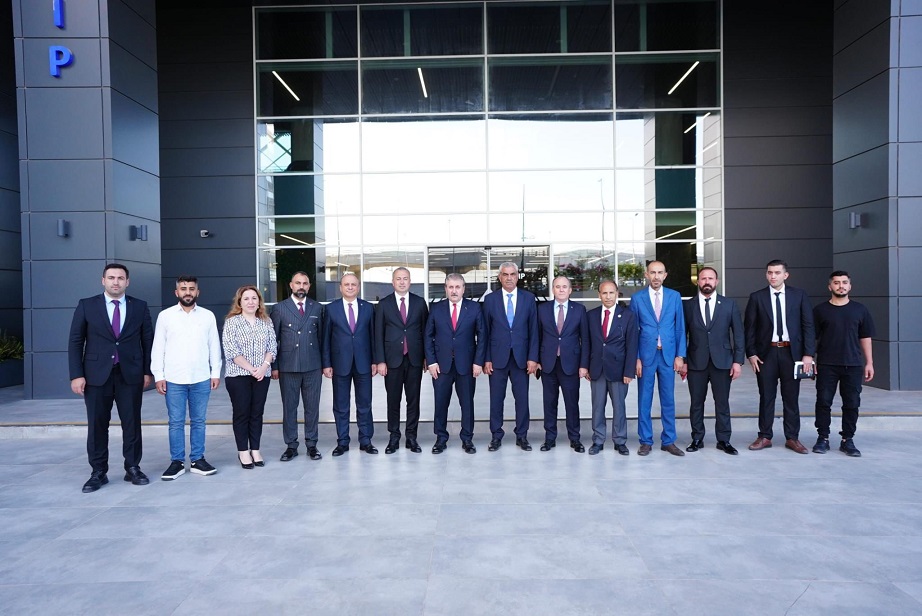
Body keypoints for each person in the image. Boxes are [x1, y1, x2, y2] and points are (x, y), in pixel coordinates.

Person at [69, 263, 154, 493]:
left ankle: (133, 467)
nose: (116, 282)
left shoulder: (140, 306)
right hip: (96, 376)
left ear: (127, 282)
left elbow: (148, 341)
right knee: (97, 425)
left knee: (132, 423)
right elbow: (76, 341)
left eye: (120, 278)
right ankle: (98, 471)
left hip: (130, 374)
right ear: (103, 280)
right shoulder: (87, 305)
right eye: (111, 277)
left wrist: (147, 371)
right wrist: (76, 374)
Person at [151, 275, 222, 480]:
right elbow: (158, 348)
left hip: (201, 377)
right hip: (174, 379)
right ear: (177, 292)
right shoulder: (165, 316)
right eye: (183, 289)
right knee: (176, 422)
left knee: (199, 421)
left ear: (197, 292)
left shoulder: (207, 316)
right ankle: (177, 462)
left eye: (191, 288)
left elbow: (214, 346)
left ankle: (198, 459)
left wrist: (215, 373)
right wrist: (159, 375)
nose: (188, 292)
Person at [744, 259, 815, 454]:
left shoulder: (799, 295)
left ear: (786, 275)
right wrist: (751, 353)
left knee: (791, 397)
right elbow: (749, 329)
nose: (773, 276)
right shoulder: (757, 297)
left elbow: (808, 325)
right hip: (766, 355)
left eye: (777, 272)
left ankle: (792, 438)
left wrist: (808, 354)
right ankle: (765, 436)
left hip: (792, 354)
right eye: (770, 272)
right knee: (766, 396)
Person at [680, 267, 745, 455]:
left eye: (710, 278)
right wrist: (683, 360)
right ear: (698, 281)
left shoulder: (729, 304)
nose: (707, 281)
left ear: (716, 281)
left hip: (723, 362)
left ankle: (724, 440)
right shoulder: (688, 306)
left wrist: (738, 361)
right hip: (695, 362)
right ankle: (697, 438)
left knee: (722, 403)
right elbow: (681, 334)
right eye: (703, 278)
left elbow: (738, 334)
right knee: (696, 403)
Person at [811, 271, 875, 457]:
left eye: (844, 282)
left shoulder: (860, 310)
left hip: (853, 364)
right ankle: (823, 438)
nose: (841, 286)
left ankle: (848, 439)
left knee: (852, 403)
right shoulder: (820, 310)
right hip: (826, 364)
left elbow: (865, 337)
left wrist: (869, 363)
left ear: (850, 286)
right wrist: (811, 359)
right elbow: (812, 337)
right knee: (823, 402)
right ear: (830, 286)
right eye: (837, 283)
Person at [424, 273, 486, 453]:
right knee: (440, 403)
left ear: (463, 289)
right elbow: (428, 336)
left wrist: (478, 362)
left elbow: (482, 336)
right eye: (450, 287)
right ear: (445, 289)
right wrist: (431, 362)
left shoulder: (474, 308)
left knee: (467, 404)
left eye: (457, 287)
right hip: (441, 366)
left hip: (466, 365)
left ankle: (467, 439)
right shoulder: (436, 308)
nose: (454, 291)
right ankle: (440, 439)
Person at [631, 261, 686, 456]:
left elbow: (680, 327)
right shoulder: (637, 298)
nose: (656, 276)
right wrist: (636, 358)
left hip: (668, 356)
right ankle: (645, 441)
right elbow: (633, 331)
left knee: (668, 399)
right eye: (652, 272)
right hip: (646, 356)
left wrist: (680, 355)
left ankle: (669, 440)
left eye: (660, 273)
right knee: (644, 399)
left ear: (665, 275)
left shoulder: (674, 296)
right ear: (646, 275)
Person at [483, 262, 539, 451]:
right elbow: (485, 332)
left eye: (512, 274)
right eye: (505, 274)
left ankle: (522, 436)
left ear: (517, 276)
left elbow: (534, 330)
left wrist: (533, 358)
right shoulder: (490, 300)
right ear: (499, 277)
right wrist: (486, 358)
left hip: (521, 358)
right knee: (496, 400)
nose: (509, 278)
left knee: (522, 399)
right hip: (497, 358)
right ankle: (496, 436)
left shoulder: (528, 298)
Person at [271, 271, 324, 462]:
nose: (301, 286)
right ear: (291, 285)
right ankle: (291, 445)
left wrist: (325, 364)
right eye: (298, 283)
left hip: (312, 365)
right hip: (288, 366)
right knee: (289, 408)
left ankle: (312, 444)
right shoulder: (279, 308)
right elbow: (273, 340)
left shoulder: (317, 308)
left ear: (309, 286)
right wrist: (274, 366)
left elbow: (322, 339)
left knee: (312, 407)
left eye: (305, 283)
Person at [374, 267, 429, 454]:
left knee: (413, 400)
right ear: (393, 282)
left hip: (414, 359)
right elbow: (378, 334)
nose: (402, 282)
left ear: (410, 281)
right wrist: (380, 361)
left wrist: (426, 358)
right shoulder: (384, 304)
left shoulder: (420, 303)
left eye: (405, 278)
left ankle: (411, 437)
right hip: (392, 361)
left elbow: (426, 332)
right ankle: (394, 437)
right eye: (398, 279)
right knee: (393, 400)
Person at [322, 273, 377, 456]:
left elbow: (373, 337)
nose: (350, 287)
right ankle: (342, 442)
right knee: (341, 405)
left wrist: (375, 361)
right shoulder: (331, 309)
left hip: (364, 363)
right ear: (341, 287)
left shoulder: (368, 308)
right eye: (347, 284)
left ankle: (366, 441)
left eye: (354, 284)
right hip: (340, 364)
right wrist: (326, 363)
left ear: (358, 287)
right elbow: (326, 339)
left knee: (365, 404)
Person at [222, 285, 277, 469]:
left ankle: (255, 449)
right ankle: (243, 451)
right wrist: (252, 369)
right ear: (240, 302)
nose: (251, 302)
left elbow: (272, 347)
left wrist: (263, 367)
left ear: (259, 301)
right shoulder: (232, 322)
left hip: (262, 375)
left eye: (254, 298)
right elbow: (231, 350)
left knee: (257, 413)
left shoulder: (266, 321)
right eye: (246, 299)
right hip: (238, 375)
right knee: (242, 413)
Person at [536, 276, 589, 452]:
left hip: (571, 364)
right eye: (557, 286)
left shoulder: (579, 310)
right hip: (548, 364)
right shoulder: (542, 309)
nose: (561, 289)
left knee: (572, 403)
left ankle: (575, 438)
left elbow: (585, 339)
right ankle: (549, 438)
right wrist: (536, 361)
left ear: (570, 290)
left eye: (564, 287)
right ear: (552, 289)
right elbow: (537, 337)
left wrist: (584, 365)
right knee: (549, 403)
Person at [586, 280, 638, 455]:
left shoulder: (628, 315)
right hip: (597, 369)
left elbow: (632, 345)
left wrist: (629, 371)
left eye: (611, 293)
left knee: (619, 407)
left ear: (617, 294)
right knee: (597, 407)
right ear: (599, 295)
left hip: (619, 370)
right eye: (604, 293)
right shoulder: (591, 315)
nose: (608, 296)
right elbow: (586, 343)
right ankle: (598, 440)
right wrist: (585, 367)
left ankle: (620, 441)